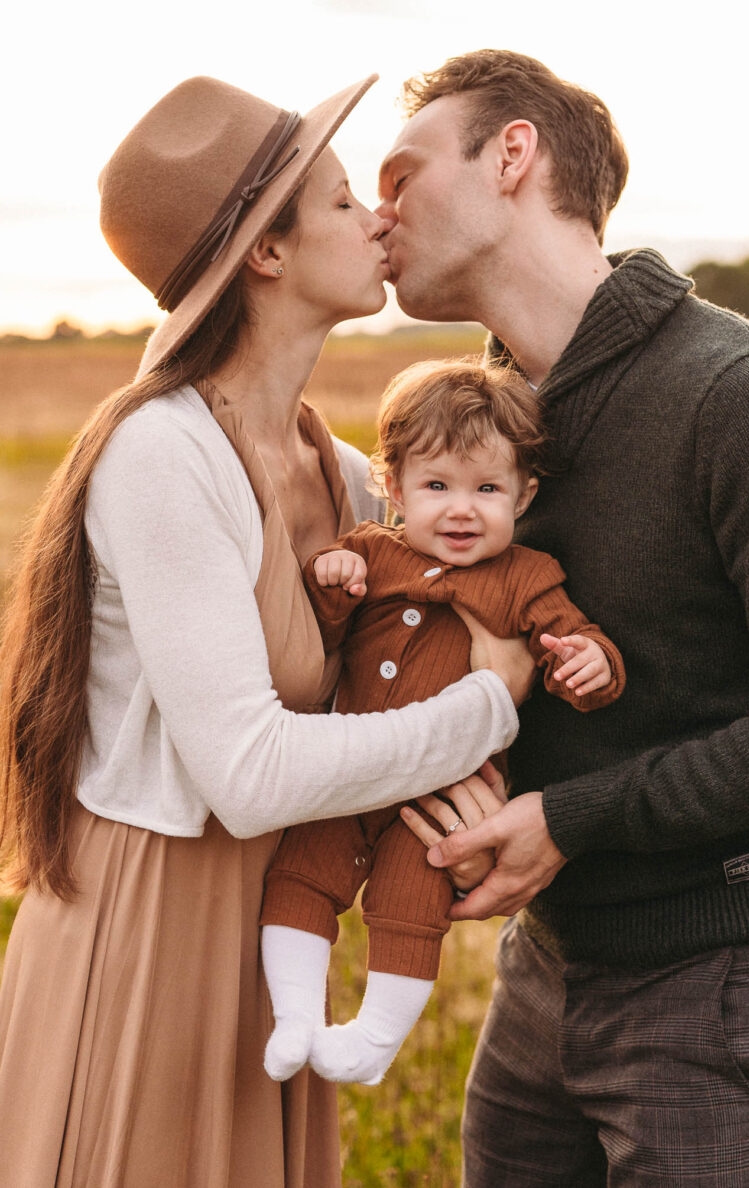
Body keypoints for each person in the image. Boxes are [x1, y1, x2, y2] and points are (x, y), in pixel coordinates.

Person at [0, 73, 531, 1187]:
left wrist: (480, 768)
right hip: (153, 924)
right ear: (268, 255)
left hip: (273, 918)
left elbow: (397, 675)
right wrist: (487, 704)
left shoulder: (335, 468)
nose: (378, 217)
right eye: (343, 202)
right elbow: (246, 771)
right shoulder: (163, 456)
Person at [375, 49, 749, 1186]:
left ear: (512, 155)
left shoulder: (740, 391)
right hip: (546, 971)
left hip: (716, 988)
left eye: (404, 173)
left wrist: (574, 817)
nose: (378, 210)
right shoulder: (481, 435)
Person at [259, 357, 625, 1087]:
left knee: (409, 903)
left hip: (434, 805)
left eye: (487, 489)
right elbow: (320, 640)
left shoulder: (526, 576)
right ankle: (294, 1014)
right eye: (436, 487)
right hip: (349, 772)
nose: (462, 509)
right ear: (390, 487)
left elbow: (570, 642)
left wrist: (590, 665)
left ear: (523, 495)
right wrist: (331, 589)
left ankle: (373, 1040)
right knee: (302, 877)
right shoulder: (370, 553)